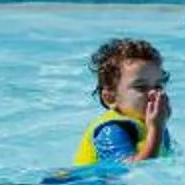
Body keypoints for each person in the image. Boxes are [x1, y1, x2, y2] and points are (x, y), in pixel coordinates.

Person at [74, 37, 173, 168]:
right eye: (141, 87)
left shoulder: (154, 124)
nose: (153, 94)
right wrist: (156, 130)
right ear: (111, 98)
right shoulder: (112, 130)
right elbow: (133, 171)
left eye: (158, 86)